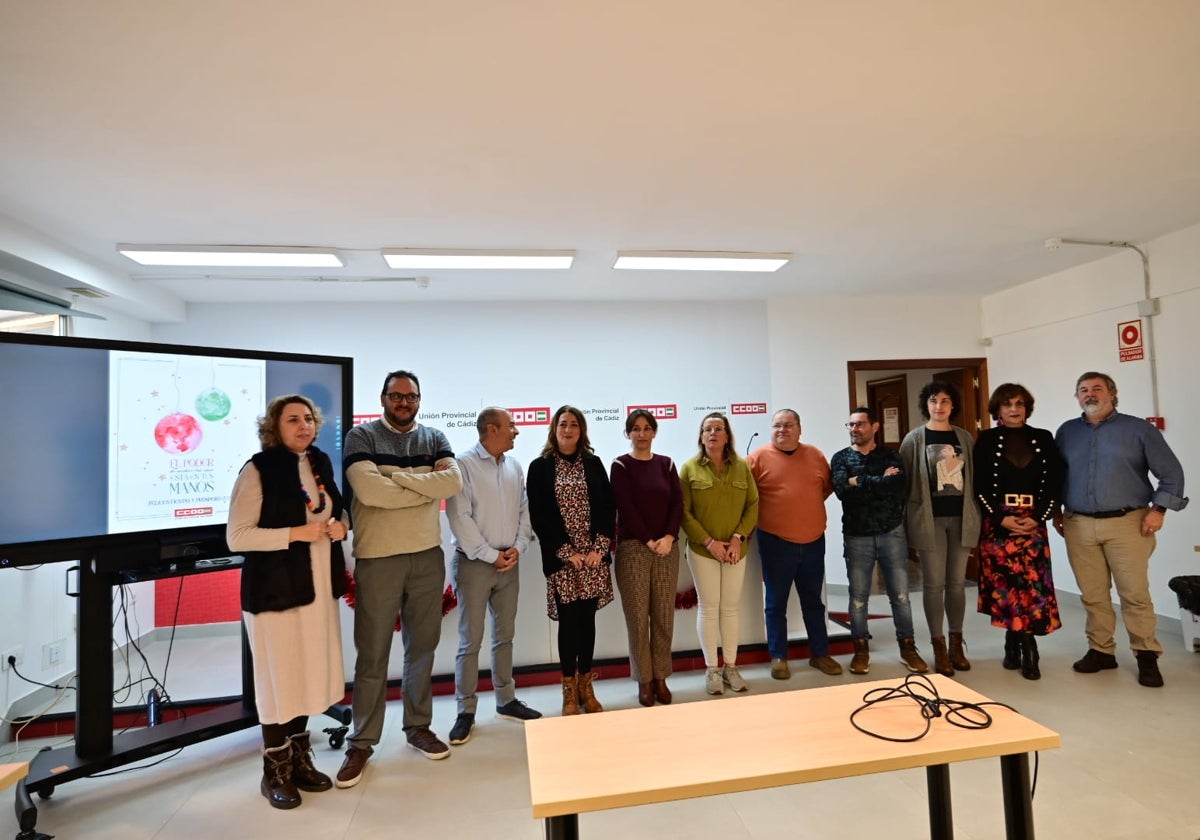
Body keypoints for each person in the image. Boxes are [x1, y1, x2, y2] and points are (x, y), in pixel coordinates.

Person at [336, 370, 463, 787]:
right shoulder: (361, 437)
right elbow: (369, 493)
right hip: (378, 557)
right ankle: (362, 742)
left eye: (410, 396)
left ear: (420, 400)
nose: (403, 402)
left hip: (426, 555)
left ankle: (418, 727)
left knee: (421, 648)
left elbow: (453, 481)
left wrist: (399, 477)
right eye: (396, 395)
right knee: (372, 655)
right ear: (384, 398)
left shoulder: (435, 438)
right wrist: (425, 486)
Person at [226, 394, 349, 810]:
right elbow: (237, 537)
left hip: (315, 588)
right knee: (280, 679)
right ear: (274, 428)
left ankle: (299, 760)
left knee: (308, 673)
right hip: (275, 592)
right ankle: (273, 771)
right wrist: (296, 534)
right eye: (293, 419)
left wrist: (341, 526)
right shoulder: (258, 470)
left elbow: (336, 509)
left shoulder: (319, 463)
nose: (304, 426)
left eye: (309, 419)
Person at [1054, 371, 1188, 688]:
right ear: (1077, 397)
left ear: (1112, 394)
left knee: (1134, 594)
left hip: (1129, 523)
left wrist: (1158, 510)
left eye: (1097, 388)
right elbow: (1057, 475)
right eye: (1083, 390)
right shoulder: (1067, 432)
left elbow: (1172, 472)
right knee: (1093, 595)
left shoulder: (1138, 429)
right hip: (1078, 524)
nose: (1090, 394)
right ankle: (1101, 651)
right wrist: (1056, 511)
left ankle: (1146, 655)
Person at [444, 408, 542, 747]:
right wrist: (491, 555)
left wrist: (516, 548)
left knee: (505, 635)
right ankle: (465, 711)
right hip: (474, 563)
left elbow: (524, 513)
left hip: (508, 563)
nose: (516, 431)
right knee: (470, 640)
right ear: (491, 429)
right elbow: (460, 518)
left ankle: (506, 700)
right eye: (511, 426)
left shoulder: (514, 466)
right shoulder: (464, 465)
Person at [527, 405, 616, 715]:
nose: (567, 429)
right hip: (564, 560)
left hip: (592, 558)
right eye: (562, 424)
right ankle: (568, 690)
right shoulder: (540, 467)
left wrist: (598, 549)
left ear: (582, 431)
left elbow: (607, 509)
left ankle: (585, 687)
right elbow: (540, 517)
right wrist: (568, 553)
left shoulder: (593, 464)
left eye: (574, 425)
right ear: (554, 429)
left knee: (587, 622)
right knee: (568, 624)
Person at [973, 384, 1064, 680]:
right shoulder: (986, 440)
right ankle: (1019, 643)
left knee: (1031, 588)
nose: (1014, 409)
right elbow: (979, 486)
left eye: (1019, 404)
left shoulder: (1043, 438)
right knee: (1008, 588)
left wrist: (1039, 516)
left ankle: (1023, 643)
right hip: (999, 523)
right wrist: (1000, 518)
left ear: (1027, 408)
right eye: (1007, 404)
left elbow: (1055, 483)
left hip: (1033, 522)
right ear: (997, 409)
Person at [830, 407, 928, 676]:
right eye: (850, 425)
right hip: (856, 535)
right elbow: (842, 491)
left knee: (900, 595)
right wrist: (876, 481)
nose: (854, 429)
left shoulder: (890, 456)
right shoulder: (840, 458)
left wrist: (858, 481)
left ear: (874, 427)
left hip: (891, 533)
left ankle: (908, 647)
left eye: (860, 424)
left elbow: (895, 487)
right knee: (858, 598)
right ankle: (860, 649)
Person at [747, 409, 841, 679]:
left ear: (799, 429)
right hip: (775, 542)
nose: (782, 430)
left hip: (813, 541)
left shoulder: (815, 455)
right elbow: (746, 496)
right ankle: (779, 656)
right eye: (777, 425)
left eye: (788, 425)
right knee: (776, 603)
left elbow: (825, 488)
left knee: (814, 602)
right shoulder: (757, 458)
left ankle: (820, 654)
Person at [900, 380, 981, 677]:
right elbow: (906, 483)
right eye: (934, 400)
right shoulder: (914, 439)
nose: (940, 406)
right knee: (934, 584)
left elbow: (973, 479)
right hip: (928, 520)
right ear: (927, 404)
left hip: (961, 518)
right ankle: (938, 645)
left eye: (946, 401)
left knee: (957, 584)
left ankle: (957, 643)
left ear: (953, 406)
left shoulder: (965, 438)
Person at [679, 412, 759, 696]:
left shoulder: (741, 467)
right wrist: (710, 541)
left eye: (718, 429)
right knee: (709, 608)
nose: (713, 433)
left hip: (737, 549)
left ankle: (731, 667)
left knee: (730, 608)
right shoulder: (689, 469)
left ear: (727, 436)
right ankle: (712, 669)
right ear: (701, 436)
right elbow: (684, 513)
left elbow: (753, 505)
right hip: (703, 551)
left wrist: (738, 538)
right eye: (707, 429)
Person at [610, 409, 683, 707]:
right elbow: (625, 507)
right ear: (628, 433)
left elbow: (677, 503)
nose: (641, 434)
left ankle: (661, 678)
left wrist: (668, 537)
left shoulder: (666, 464)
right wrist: (649, 540)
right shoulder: (621, 465)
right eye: (635, 429)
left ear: (654, 432)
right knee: (638, 619)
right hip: (634, 549)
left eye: (647, 428)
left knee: (664, 616)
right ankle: (644, 680)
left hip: (667, 549)